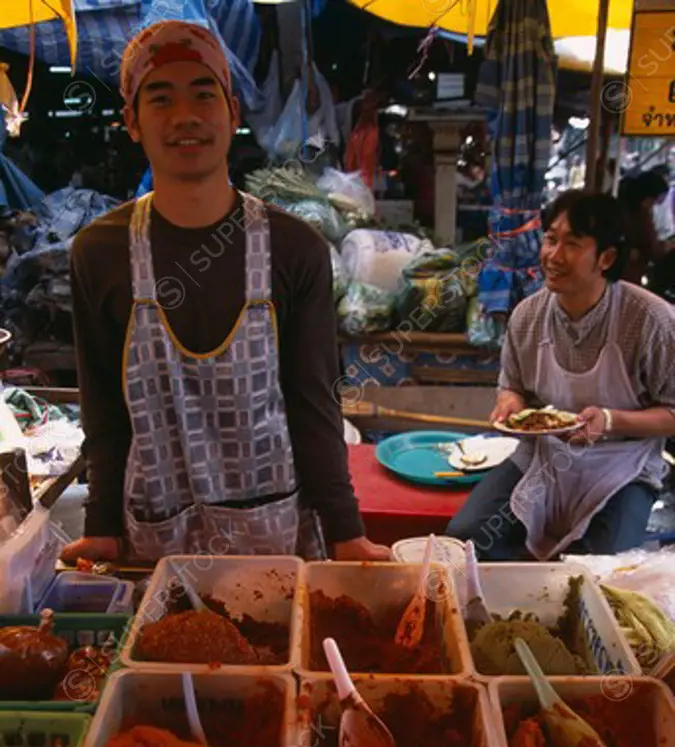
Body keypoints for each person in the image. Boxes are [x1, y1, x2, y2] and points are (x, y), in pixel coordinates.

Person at [62, 20, 389, 565]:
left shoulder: (295, 249)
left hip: (272, 533)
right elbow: (103, 406)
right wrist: (101, 525)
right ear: (132, 122)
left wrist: (345, 530)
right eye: (160, 99)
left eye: (203, 94)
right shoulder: (98, 253)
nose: (185, 116)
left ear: (233, 113)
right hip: (154, 539)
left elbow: (313, 402)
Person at [446, 189, 675, 561]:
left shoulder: (652, 320)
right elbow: (512, 386)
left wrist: (610, 420)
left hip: (623, 465)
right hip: (543, 456)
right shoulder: (528, 316)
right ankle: (522, 605)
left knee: (599, 566)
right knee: (469, 538)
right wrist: (510, 406)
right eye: (551, 239)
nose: (553, 255)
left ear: (607, 257)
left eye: (572, 244)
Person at [618, 170, 674, 286]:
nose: (652, 207)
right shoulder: (640, 215)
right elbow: (651, 248)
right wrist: (665, 247)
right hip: (629, 274)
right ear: (647, 198)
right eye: (654, 202)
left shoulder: (624, 206)